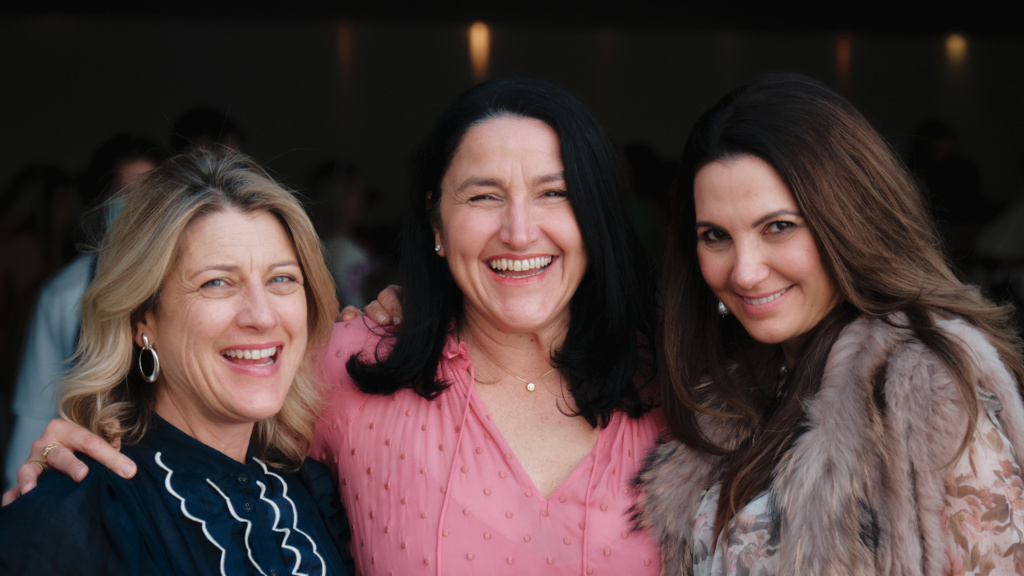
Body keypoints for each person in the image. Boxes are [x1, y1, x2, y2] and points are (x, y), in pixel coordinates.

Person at [8, 78, 664, 575]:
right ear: (436, 223)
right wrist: (73, 462)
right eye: (483, 194)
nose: (520, 228)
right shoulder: (353, 370)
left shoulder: (681, 393)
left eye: (555, 192)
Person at [634, 73, 1024, 574]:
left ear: (848, 220)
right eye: (715, 235)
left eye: (778, 227)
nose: (745, 271)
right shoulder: (727, 390)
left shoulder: (925, 385)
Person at [0, 148, 351, 575]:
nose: (262, 316)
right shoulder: (74, 516)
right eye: (217, 282)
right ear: (141, 319)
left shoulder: (313, 493)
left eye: (282, 278)